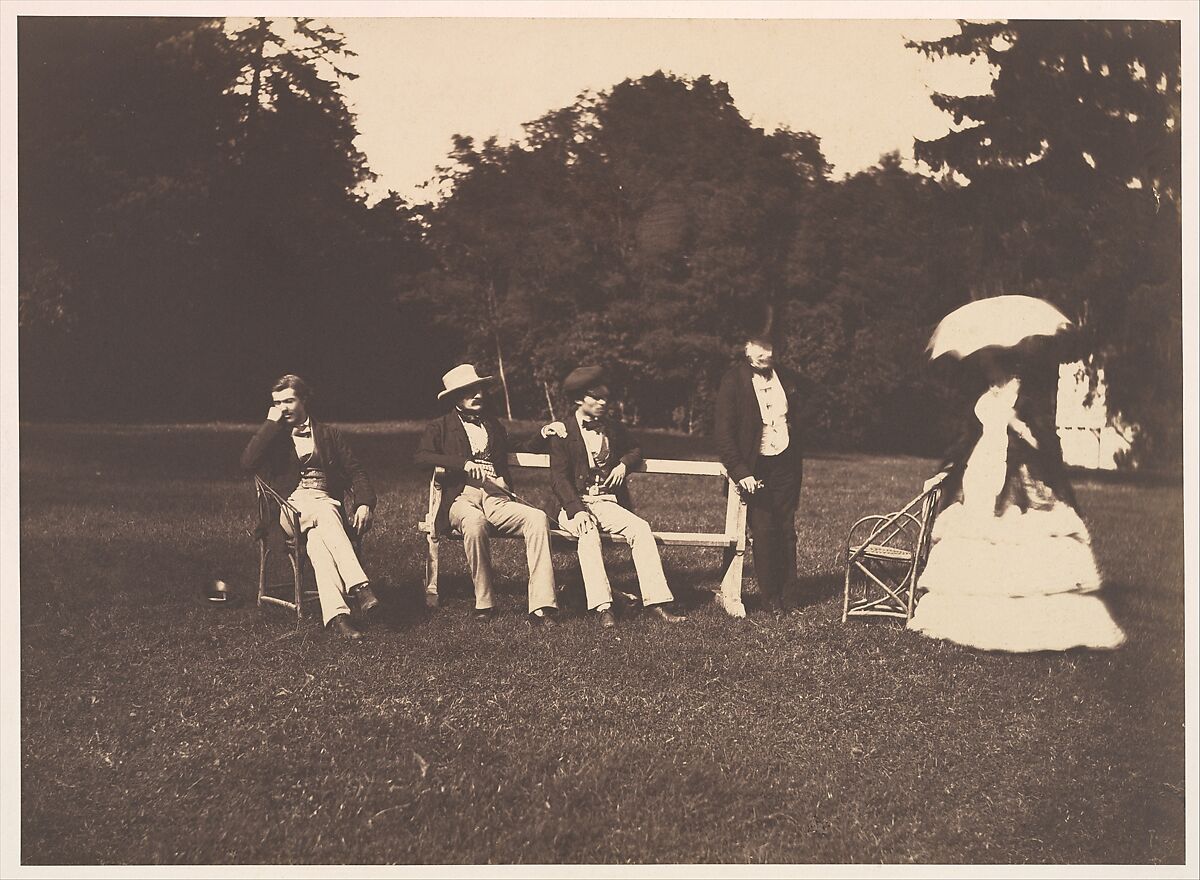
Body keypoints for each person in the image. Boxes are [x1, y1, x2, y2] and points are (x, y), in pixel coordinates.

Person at [907, 347, 1125, 651]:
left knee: (1017, 537)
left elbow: (1049, 443)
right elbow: (969, 438)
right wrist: (946, 470)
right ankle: (972, 617)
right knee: (976, 539)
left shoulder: (1026, 392)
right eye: (982, 361)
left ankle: (1027, 622)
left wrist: (1018, 426)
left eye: (989, 359)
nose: (985, 366)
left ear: (1002, 357)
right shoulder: (985, 394)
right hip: (980, 475)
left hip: (1018, 480)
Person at [415, 364, 560, 626]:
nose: (477, 395)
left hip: (496, 496)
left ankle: (542, 606)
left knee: (537, 518)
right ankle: (485, 603)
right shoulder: (440, 426)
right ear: (456, 397)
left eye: (479, 389)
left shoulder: (492, 425)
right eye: (469, 391)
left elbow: (520, 446)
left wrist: (542, 433)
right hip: (462, 497)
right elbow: (421, 457)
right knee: (474, 523)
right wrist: (461, 463)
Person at [241, 374, 379, 641]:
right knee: (326, 512)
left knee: (318, 540)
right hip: (288, 512)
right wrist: (270, 423)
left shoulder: (329, 434)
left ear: (304, 399)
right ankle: (361, 586)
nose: (283, 407)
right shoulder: (274, 436)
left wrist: (364, 503)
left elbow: (356, 471)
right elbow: (247, 463)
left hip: (323, 509)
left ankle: (339, 617)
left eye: (289, 400)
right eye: (277, 402)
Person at [547, 366, 686, 627]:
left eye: (605, 398)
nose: (603, 403)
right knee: (587, 533)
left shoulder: (612, 427)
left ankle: (657, 601)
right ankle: (604, 607)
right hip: (571, 505)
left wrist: (623, 464)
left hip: (604, 502)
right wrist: (577, 510)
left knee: (641, 529)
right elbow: (559, 479)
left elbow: (635, 449)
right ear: (579, 400)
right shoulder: (562, 431)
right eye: (596, 398)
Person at [714, 334, 805, 614]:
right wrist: (740, 471)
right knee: (764, 530)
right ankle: (770, 599)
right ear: (747, 350)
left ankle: (790, 598)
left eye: (769, 349)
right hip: (755, 467)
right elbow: (723, 432)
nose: (765, 355)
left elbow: (801, 410)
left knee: (787, 530)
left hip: (786, 463)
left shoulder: (786, 378)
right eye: (760, 349)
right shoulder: (733, 380)